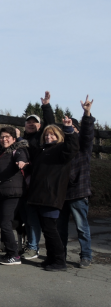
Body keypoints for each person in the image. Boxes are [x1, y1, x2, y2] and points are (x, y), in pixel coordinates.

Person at [27, 117, 79, 271]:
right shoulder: (44, 151)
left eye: (52, 135)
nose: (49, 137)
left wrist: (69, 130)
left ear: (59, 136)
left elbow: (72, 148)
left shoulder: (61, 149)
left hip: (52, 196)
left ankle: (59, 261)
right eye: (47, 135)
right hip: (40, 196)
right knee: (47, 229)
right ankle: (51, 258)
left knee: (51, 230)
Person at [58, 97, 95, 269]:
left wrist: (86, 113)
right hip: (61, 194)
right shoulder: (62, 149)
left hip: (79, 192)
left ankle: (86, 256)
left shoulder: (83, 147)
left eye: (74, 129)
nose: (71, 132)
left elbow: (87, 133)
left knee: (82, 227)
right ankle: (61, 255)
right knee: (60, 229)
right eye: (68, 130)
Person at [20, 91, 56, 260]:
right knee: (24, 216)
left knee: (36, 217)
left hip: (38, 181)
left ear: (40, 126)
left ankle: (35, 247)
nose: (31, 124)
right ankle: (26, 245)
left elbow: (51, 125)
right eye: (29, 122)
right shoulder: (20, 140)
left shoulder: (42, 139)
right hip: (20, 182)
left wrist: (46, 106)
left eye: (35, 122)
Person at [0, 127, 30, 265]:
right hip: (0, 193)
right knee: (3, 224)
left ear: (13, 138)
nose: (4, 139)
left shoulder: (18, 150)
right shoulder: (0, 152)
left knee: (5, 224)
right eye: (1, 137)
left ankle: (14, 255)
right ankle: (9, 252)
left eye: (7, 137)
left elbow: (22, 158)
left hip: (12, 194)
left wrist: (22, 163)